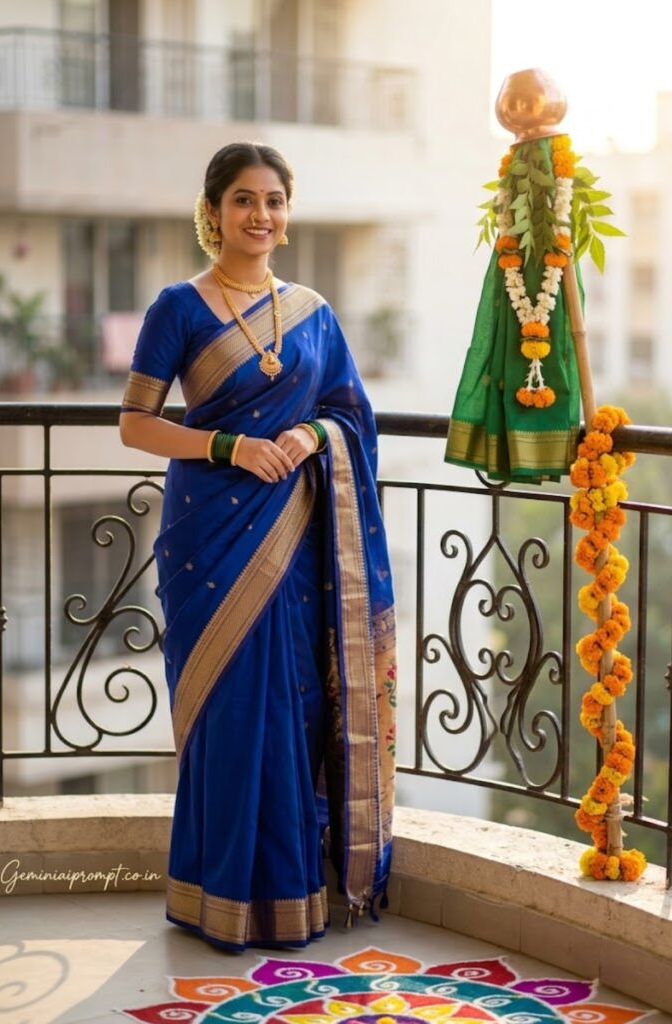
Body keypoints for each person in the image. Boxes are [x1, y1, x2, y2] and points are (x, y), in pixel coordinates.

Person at [118, 141, 396, 952]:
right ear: (213, 212)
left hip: (296, 534)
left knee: (294, 706)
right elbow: (135, 423)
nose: (261, 215)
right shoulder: (180, 306)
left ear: (288, 212)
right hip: (210, 536)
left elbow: (352, 415)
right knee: (231, 712)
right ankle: (216, 898)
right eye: (243, 200)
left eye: (274, 200)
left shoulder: (312, 311)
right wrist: (229, 448)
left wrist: (310, 434)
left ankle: (288, 896)